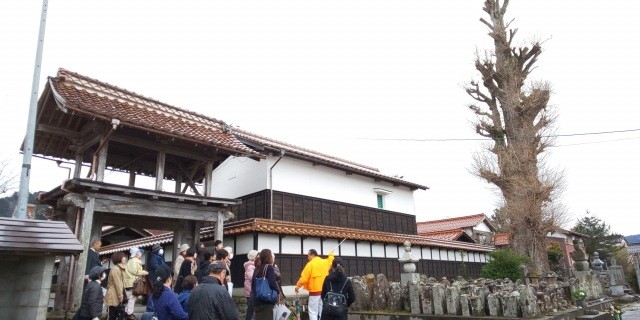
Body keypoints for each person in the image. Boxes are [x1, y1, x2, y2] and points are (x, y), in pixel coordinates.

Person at [295, 249, 335, 320]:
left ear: (312, 255)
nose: (308, 258)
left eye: (308, 256)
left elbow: (304, 278)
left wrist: (298, 286)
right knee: (322, 310)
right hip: (324, 291)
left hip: (314, 291)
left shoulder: (310, 264)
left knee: (313, 311)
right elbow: (330, 261)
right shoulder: (324, 262)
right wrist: (331, 254)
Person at [252, 249, 279, 320]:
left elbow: (253, 284)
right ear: (269, 257)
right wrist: (277, 291)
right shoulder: (269, 267)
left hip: (258, 300)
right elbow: (272, 283)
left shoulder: (257, 268)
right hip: (266, 300)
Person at [124, 247, 149, 320]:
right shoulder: (133, 261)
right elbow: (135, 271)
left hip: (133, 282)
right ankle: (129, 314)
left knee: (133, 298)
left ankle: (127, 312)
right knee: (132, 298)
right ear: (135, 253)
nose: (140, 254)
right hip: (133, 282)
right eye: (139, 252)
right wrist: (144, 272)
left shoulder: (134, 261)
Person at [105, 252, 128, 320]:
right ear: (119, 258)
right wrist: (120, 296)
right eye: (123, 257)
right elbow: (118, 284)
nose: (125, 258)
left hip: (115, 294)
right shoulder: (116, 269)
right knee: (113, 315)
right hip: (113, 295)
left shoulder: (119, 268)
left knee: (115, 314)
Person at [243, 250, 259, 320]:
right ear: (254, 257)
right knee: (251, 310)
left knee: (251, 310)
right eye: (257, 255)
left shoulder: (252, 265)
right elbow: (252, 278)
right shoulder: (250, 266)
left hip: (250, 290)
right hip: (250, 291)